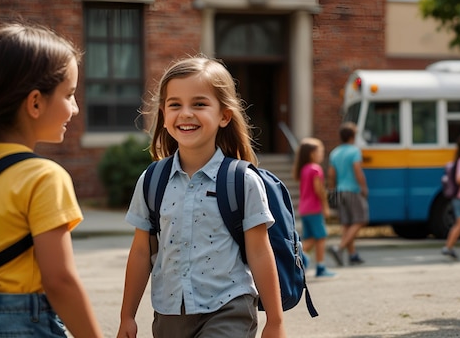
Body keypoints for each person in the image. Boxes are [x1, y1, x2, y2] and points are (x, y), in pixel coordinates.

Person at [117, 56, 285, 338]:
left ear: (224, 115)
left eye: (199, 104)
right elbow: (141, 252)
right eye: (175, 105)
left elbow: (259, 252)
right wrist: (127, 316)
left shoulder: (242, 181)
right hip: (169, 313)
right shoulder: (151, 180)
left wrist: (276, 322)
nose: (185, 113)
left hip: (229, 307)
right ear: (163, 114)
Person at [0, 23, 103, 337]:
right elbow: (60, 281)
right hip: (25, 323)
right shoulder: (44, 177)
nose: (76, 109)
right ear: (35, 102)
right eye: (69, 95)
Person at [292, 137, 336, 278]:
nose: (322, 154)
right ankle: (320, 267)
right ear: (312, 154)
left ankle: (299, 258)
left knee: (310, 238)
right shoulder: (315, 169)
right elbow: (319, 190)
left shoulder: (304, 169)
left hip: (305, 209)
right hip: (314, 208)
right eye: (320, 151)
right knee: (321, 237)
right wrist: (325, 206)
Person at [327, 122, 369, 266]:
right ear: (353, 136)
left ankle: (353, 255)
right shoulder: (354, 151)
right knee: (361, 220)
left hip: (340, 190)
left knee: (347, 222)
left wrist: (332, 190)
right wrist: (364, 187)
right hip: (352, 190)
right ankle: (339, 248)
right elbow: (358, 171)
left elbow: (331, 174)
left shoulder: (335, 152)